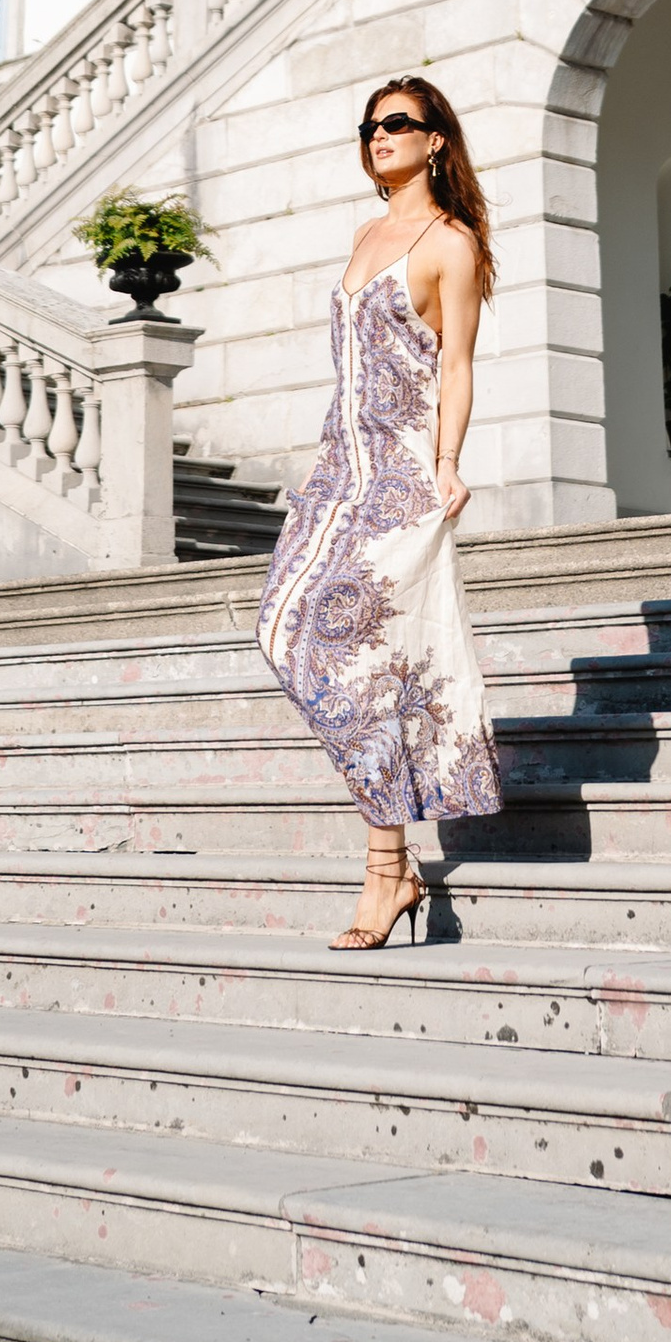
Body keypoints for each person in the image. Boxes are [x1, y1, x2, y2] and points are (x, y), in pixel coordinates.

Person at [255, 74, 503, 948]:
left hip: (399, 475)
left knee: (360, 656)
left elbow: (457, 364)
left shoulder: (452, 244)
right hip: (337, 470)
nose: (379, 135)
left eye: (397, 122)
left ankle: (385, 867)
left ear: (436, 140)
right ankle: (391, 861)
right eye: (369, 126)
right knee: (282, 632)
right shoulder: (366, 234)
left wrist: (447, 463)